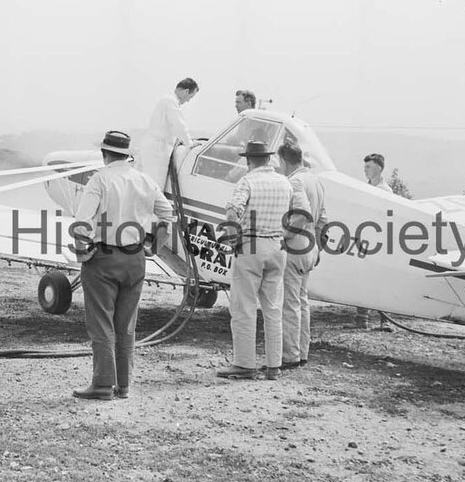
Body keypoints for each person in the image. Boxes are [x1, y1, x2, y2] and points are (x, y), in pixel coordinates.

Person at [71, 130, 176, 400]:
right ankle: (124, 385)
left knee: (101, 323)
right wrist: (156, 246)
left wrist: (82, 253)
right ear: (127, 154)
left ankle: (103, 385)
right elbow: (167, 214)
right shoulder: (144, 179)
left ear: (104, 153)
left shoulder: (100, 180)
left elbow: (82, 223)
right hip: (135, 258)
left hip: (104, 257)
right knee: (126, 325)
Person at [216, 141, 307, 381]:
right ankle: (274, 365)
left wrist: (234, 241)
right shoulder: (285, 183)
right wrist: (286, 236)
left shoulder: (247, 181)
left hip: (251, 245)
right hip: (277, 245)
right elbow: (300, 214)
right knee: (274, 308)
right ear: (268, 159)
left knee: (244, 307)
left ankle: (245, 364)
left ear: (248, 160)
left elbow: (233, 211)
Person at [277, 141, 327, 369]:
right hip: (310, 247)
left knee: (290, 304)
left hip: (296, 246)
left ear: (284, 160)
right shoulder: (315, 180)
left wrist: (284, 235)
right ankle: (302, 352)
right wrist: (316, 246)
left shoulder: (294, 181)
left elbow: (303, 213)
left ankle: (290, 355)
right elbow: (322, 218)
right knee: (302, 301)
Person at [138, 77, 200, 192]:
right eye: (191, 97)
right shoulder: (170, 101)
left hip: (152, 147)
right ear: (186, 92)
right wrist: (189, 143)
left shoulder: (166, 100)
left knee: (144, 186)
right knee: (154, 187)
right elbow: (178, 124)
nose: (188, 101)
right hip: (157, 149)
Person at [357, 153, 393, 329]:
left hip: (379, 240)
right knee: (363, 277)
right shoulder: (366, 189)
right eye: (365, 167)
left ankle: (385, 320)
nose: (365, 171)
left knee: (379, 279)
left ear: (378, 168)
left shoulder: (386, 192)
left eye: (368, 167)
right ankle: (362, 318)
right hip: (366, 238)